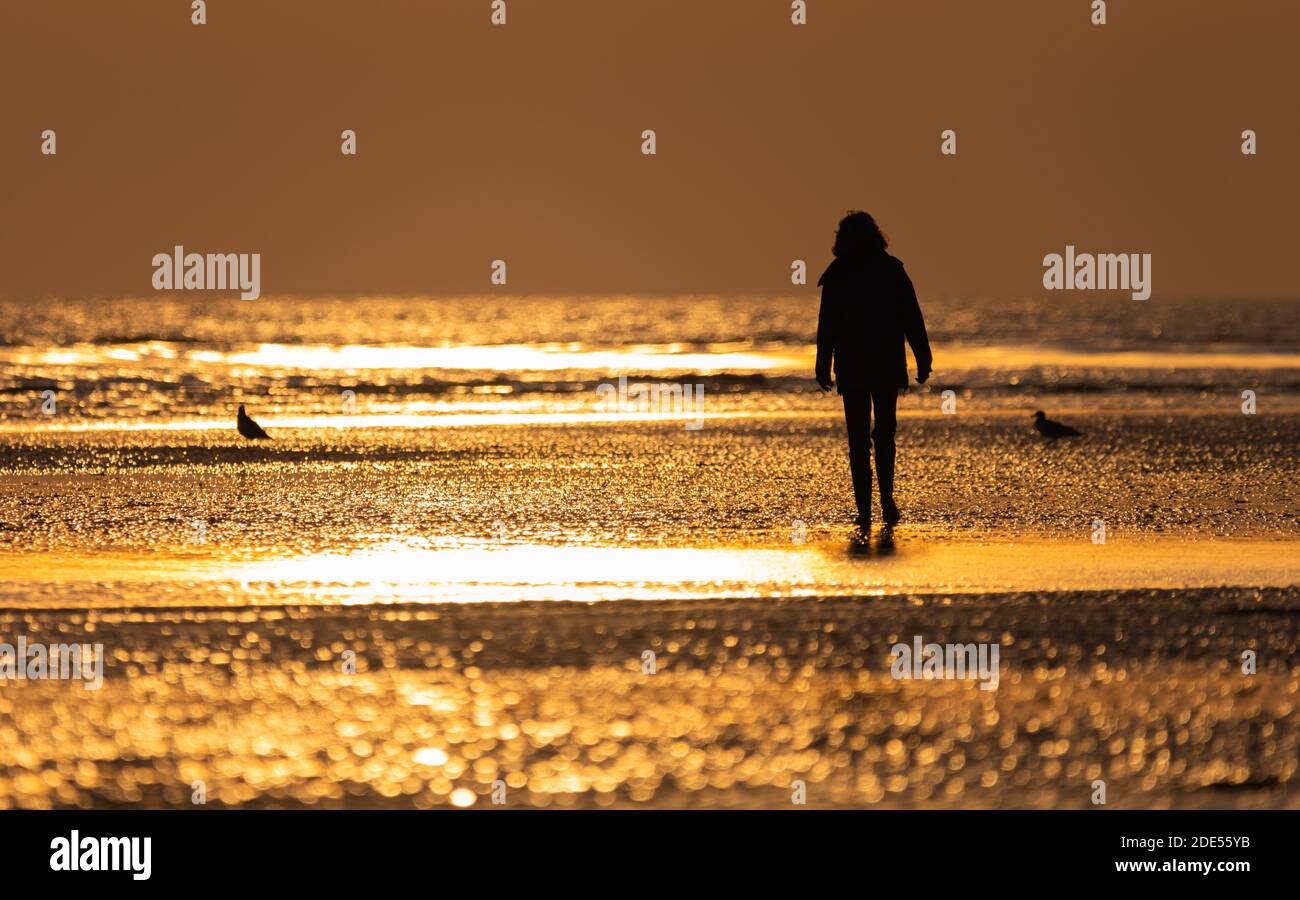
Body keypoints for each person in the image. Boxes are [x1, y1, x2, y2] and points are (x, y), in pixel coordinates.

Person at [815, 211, 932, 528]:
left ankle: (867, 510)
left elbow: (827, 327)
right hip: (884, 363)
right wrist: (923, 358)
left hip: (855, 366)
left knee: (859, 440)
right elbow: (912, 318)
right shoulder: (890, 270)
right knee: (884, 435)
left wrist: (823, 365)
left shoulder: (839, 274)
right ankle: (885, 503)